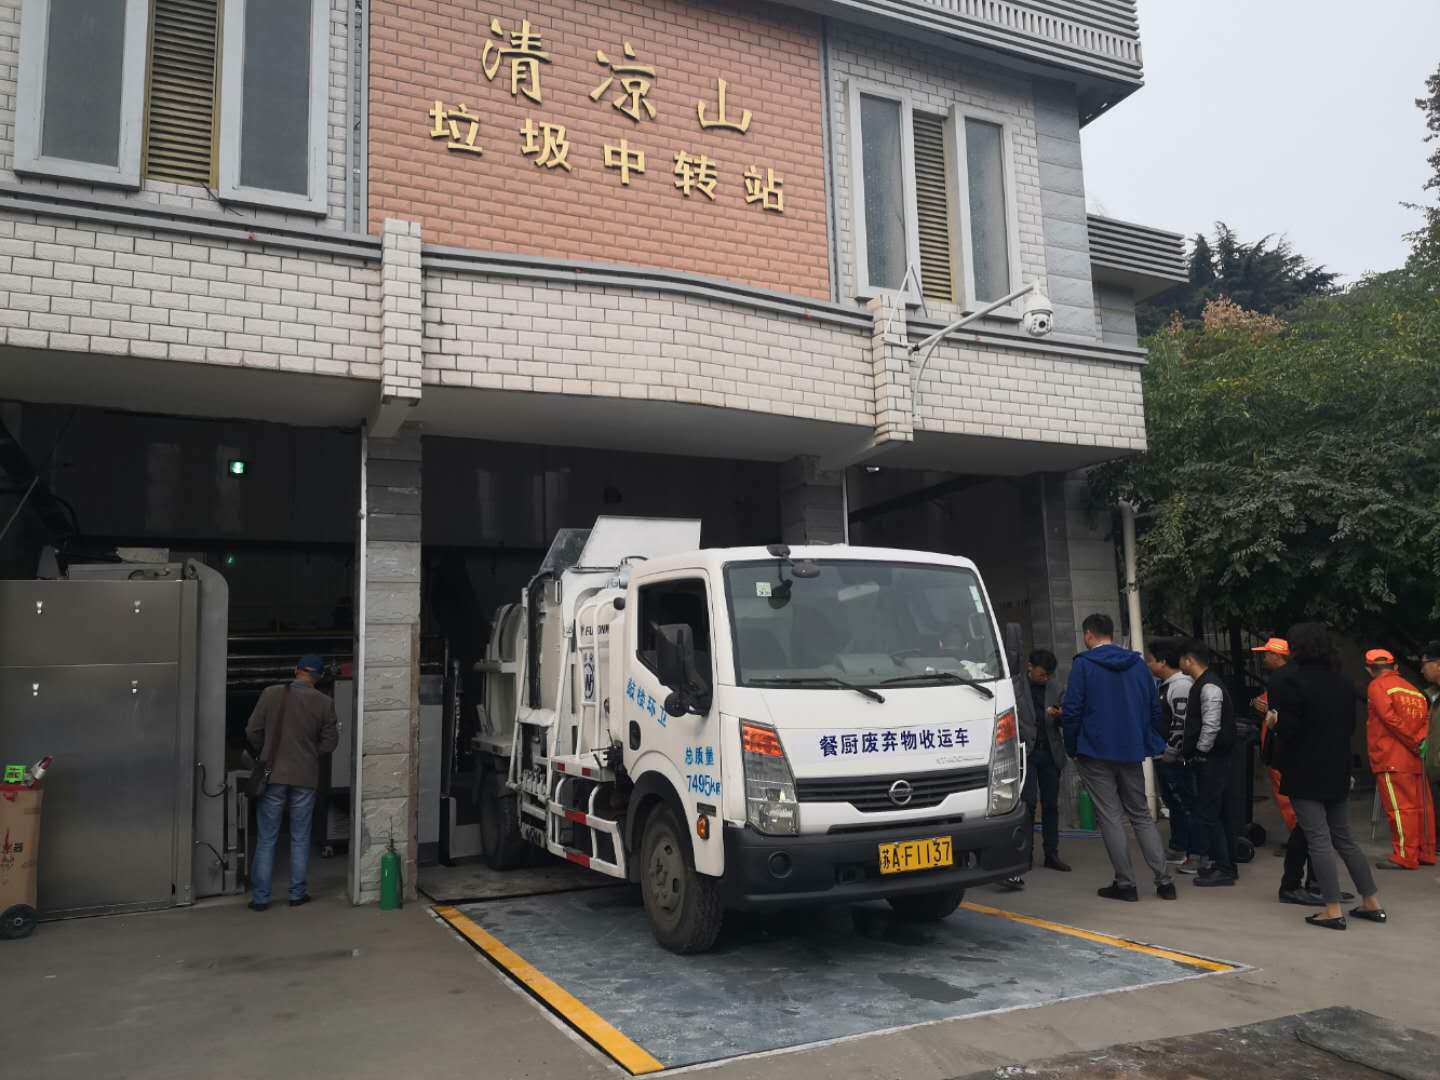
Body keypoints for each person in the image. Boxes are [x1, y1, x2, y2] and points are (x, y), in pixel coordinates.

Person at [1267, 624, 1385, 930]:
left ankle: (1332, 909)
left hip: (1304, 769)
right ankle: (1371, 902)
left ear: (1298, 648)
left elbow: (1290, 729)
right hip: (1337, 767)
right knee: (1344, 838)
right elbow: (1349, 727)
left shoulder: (1291, 682)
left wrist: (1274, 721)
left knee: (1318, 838)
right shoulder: (1343, 683)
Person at [1061, 614, 1176, 902]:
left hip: (1094, 750)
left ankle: (1126, 884)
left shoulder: (1083, 665)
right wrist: (1146, 740)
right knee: (1140, 814)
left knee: (1110, 816)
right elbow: (1153, 708)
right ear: (1110, 633)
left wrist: (1072, 746)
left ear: (1089, 635)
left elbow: (1072, 711)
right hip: (1131, 749)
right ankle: (1165, 882)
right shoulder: (1137, 664)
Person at [246, 655, 339, 912]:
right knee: (300, 837)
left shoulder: (271, 693)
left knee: (267, 838)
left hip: (272, 773)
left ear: (296, 670)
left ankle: (261, 898)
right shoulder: (325, 702)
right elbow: (330, 743)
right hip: (305, 776)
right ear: (319, 677)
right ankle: (297, 895)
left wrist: (266, 752)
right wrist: (309, 753)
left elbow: (252, 731)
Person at [1363, 649, 1436, 871]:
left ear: (1369, 669)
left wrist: (1410, 740)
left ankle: (1405, 855)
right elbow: (1427, 721)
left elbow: (1389, 719)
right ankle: (1424, 852)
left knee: (1400, 809)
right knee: (1420, 807)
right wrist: (1418, 741)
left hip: (1390, 756)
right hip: (1415, 758)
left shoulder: (1377, 686)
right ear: (1395, 667)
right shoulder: (1414, 690)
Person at [1178, 641, 1239, 887]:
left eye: (1181, 659)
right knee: (1215, 812)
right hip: (1215, 758)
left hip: (1212, 760)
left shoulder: (1209, 686)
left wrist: (1200, 752)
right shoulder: (1205, 684)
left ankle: (1224, 868)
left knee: (1209, 813)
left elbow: (1211, 725)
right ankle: (1223, 863)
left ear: (1189, 660)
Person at [1145, 639, 1200, 874]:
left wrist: (1171, 751)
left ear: (1163, 662)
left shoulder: (1180, 686)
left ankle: (1194, 853)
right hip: (1165, 755)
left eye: (1150, 660)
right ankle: (1179, 847)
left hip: (1176, 758)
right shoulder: (1165, 685)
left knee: (1186, 804)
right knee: (1174, 803)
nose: (1148, 665)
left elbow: (1181, 723)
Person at [1026, 650, 1071, 873]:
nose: (1045, 678)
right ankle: (1024, 853)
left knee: (1051, 805)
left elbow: (1068, 717)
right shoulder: (1017, 688)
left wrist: (1060, 715)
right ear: (1030, 667)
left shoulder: (1056, 688)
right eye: (1041, 674)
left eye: (1048, 675)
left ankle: (1051, 853)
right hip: (1027, 754)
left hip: (1050, 753)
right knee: (1028, 804)